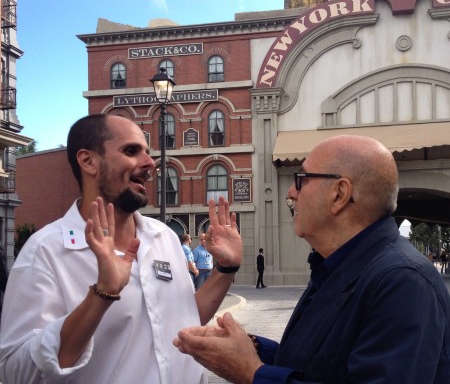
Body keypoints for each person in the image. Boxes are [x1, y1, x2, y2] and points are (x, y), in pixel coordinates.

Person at [174, 134, 450, 383]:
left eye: (301, 180)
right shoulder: (335, 266)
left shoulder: (403, 281)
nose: (291, 193)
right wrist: (249, 348)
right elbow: (321, 365)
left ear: (339, 194)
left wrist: (251, 373)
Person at [0, 114, 242, 383]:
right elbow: (16, 372)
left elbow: (184, 318)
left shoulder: (164, 237)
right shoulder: (44, 252)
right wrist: (101, 295)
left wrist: (226, 268)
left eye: (148, 153)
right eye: (131, 151)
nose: (150, 163)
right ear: (88, 161)